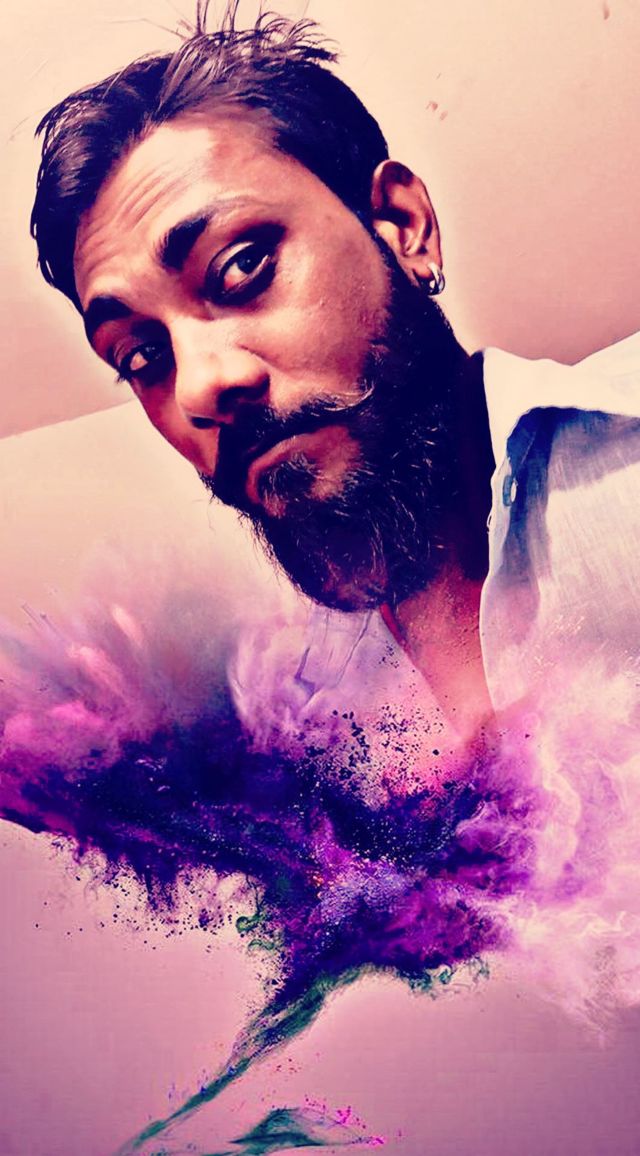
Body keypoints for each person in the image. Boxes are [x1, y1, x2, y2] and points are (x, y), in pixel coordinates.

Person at [29, 6, 640, 746]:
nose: (197, 388)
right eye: (141, 357)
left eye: (241, 267)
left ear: (404, 227)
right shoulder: (302, 717)